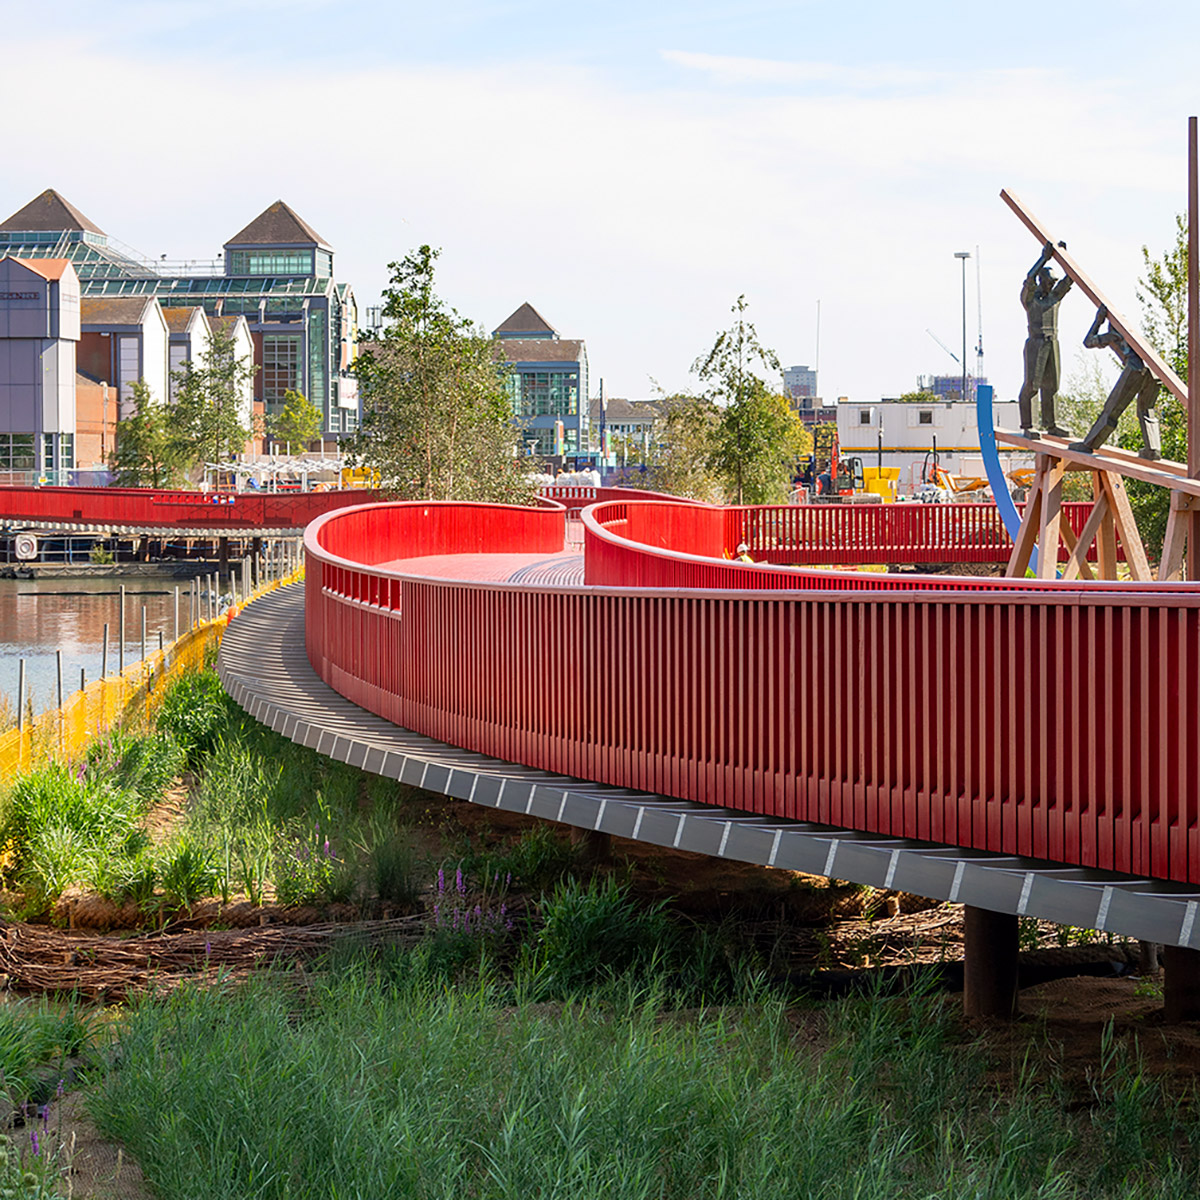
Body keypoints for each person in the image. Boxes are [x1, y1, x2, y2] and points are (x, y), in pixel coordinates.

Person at [1069, 305, 1162, 460]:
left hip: (1135, 369)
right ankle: (1153, 450)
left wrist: (1098, 321)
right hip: (1154, 372)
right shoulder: (1137, 336)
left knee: (1111, 410)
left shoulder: (1114, 335)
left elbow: (1088, 342)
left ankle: (1089, 444)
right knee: (1147, 410)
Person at [1018, 241, 1073, 437]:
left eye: (1054, 282)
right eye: (1049, 281)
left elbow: (1071, 278)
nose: (1052, 285)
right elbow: (1029, 279)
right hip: (1036, 343)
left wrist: (1064, 256)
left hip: (1052, 342)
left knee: (1052, 385)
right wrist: (1044, 258)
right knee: (1032, 383)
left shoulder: (1055, 298)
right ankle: (1028, 425)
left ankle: (1051, 424)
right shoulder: (1030, 300)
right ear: (1042, 281)